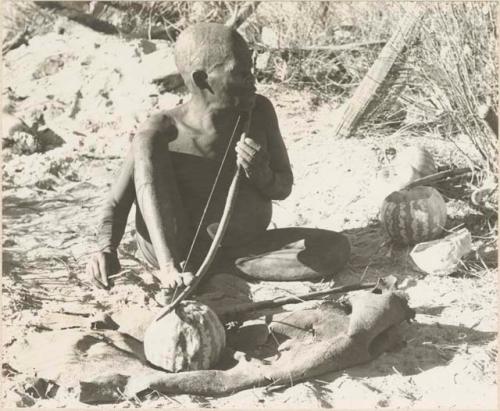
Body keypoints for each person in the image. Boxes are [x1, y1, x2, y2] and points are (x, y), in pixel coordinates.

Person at [86, 23, 350, 292]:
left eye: (252, 69)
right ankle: (173, 268)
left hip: (243, 249)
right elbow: (117, 203)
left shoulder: (258, 111)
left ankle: (219, 265)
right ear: (202, 79)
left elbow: (283, 187)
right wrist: (106, 249)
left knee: (334, 249)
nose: (253, 80)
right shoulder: (163, 131)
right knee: (146, 141)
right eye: (241, 72)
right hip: (177, 254)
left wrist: (262, 174)